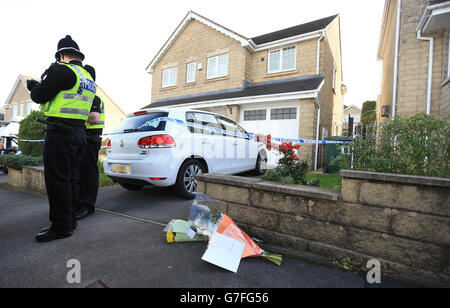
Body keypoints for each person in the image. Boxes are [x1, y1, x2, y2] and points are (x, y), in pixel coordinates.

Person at [27, 35, 96, 242]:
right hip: (79, 133)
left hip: (60, 133)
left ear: (62, 55)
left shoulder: (62, 69)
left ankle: (60, 227)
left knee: (57, 181)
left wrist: (35, 87)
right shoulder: (88, 76)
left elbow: (39, 96)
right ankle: (70, 221)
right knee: (72, 179)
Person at [75, 65, 105, 220]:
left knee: (88, 174)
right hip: (84, 137)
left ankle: (87, 206)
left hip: (90, 138)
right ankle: (80, 204)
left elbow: (94, 118)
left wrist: (73, 117)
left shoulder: (94, 98)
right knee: (80, 174)